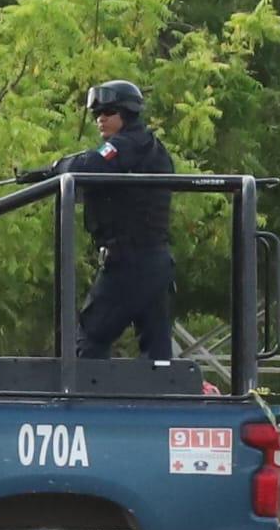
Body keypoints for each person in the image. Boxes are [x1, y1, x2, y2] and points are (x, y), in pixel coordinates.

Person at [19, 80, 176, 360]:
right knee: (158, 353)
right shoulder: (151, 148)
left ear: (127, 114)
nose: (100, 119)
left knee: (89, 339)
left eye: (108, 112)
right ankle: (163, 402)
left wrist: (57, 167)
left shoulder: (126, 146)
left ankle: (86, 403)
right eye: (96, 114)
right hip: (155, 261)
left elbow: (88, 165)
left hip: (129, 261)